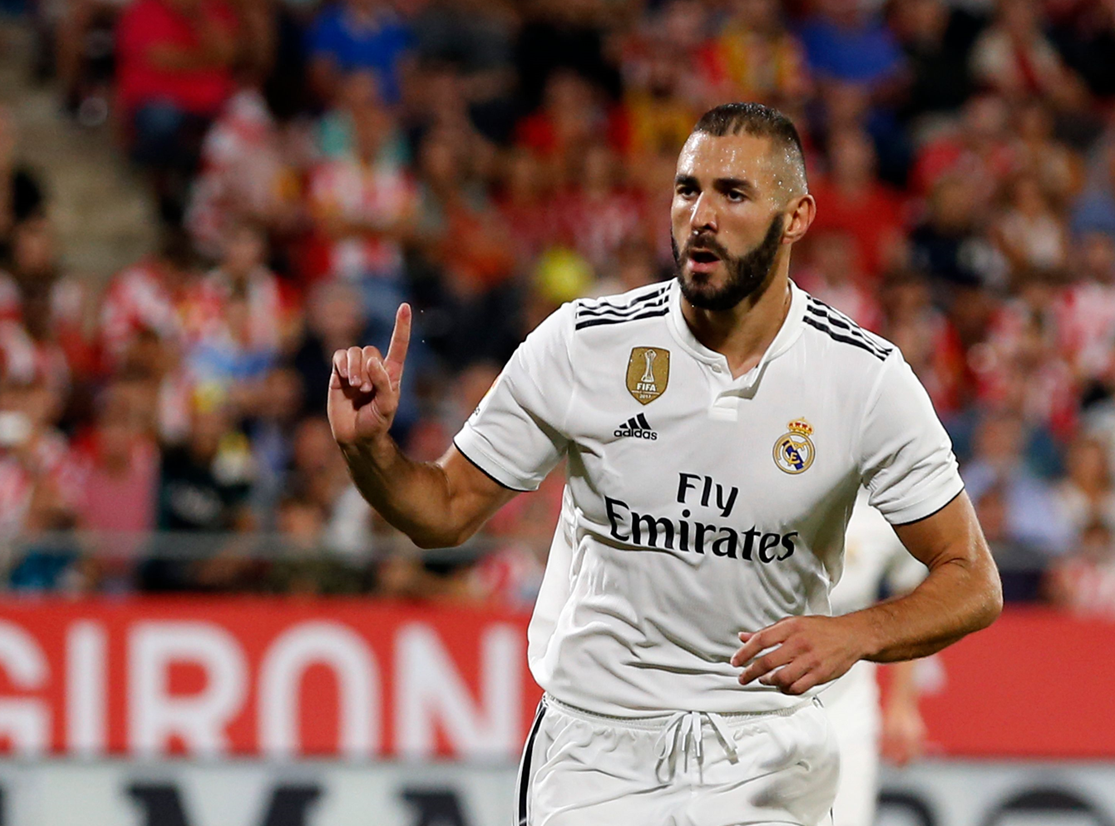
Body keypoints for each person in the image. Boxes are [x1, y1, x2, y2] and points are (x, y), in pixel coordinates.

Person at [328, 102, 1002, 826]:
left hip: (765, 752)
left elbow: (972, 579)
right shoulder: (583, 346)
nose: (701, 215)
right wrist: (370, 451)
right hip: (595, 751)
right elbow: (442, 512)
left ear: (797, 216)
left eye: (733, 193)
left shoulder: (863, 379)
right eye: (688, 189)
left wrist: (856, 633)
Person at [823, 491, 929, 826]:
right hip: (759, 707)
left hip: (847, 709)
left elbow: (910, 593)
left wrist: (903, 703)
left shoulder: (883, 507)